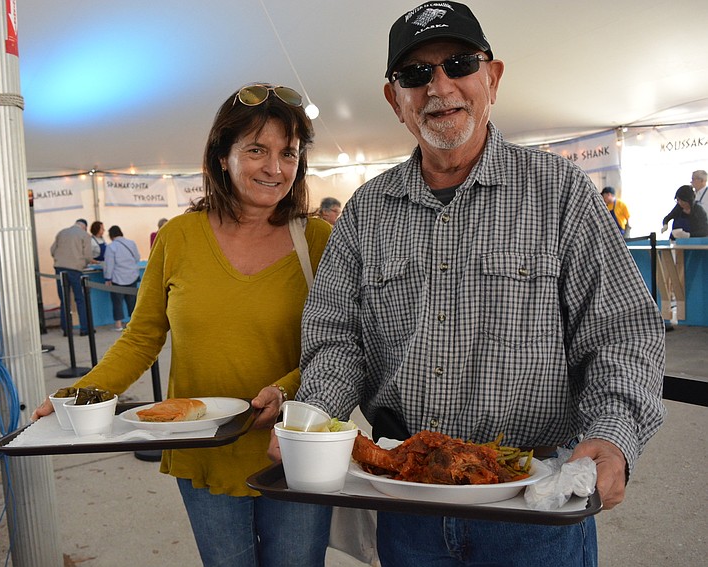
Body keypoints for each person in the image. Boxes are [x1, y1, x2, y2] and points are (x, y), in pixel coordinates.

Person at [286, 3, 666, 566]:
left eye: (459, 64)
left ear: (493, 77)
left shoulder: (560, 192)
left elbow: (622, 332)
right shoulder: (366, 211)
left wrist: (612, 435)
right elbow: (337, 338)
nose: (439, 87)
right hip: (407, 502)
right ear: (394, 99)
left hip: (532, 504)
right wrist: (313, 419)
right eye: (415, 74)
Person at [34, 83, 333, 566]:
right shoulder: (178, 236)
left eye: (289, 153)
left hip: (293, 447)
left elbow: (339, 344)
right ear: (222, 156)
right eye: (257, 150)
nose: (275, 168)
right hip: (201, 447)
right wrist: (80, 395)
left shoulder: (317, 239)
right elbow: (141, 337)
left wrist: (287, 387)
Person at [50, 218, 94, 335]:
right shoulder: (85, 235)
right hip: (75, 270)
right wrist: (83, 263)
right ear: (84, 227)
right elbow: (88, 255)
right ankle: (85, 329)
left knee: (64, 300)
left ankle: (66, 330)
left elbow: (52, 250)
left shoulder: (61, 232)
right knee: (80, 299)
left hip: (59, 269)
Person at [103, 225, 140, 331]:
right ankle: (134, 324)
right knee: (132, 301)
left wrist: (107, 278)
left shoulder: (111, 246)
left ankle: (118, 325)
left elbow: (109, 264)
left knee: (117, 301)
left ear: (111, 235)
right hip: (132, 275)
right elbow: (137, 257)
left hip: (118, 278)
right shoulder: (131, 243)